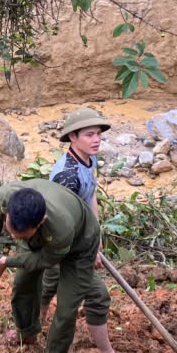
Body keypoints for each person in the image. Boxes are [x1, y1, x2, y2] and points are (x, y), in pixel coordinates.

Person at [0, 180, 140, 353]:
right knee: (22, 282)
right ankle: (27, 331)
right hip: (40, 228)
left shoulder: (61, 230)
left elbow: (41, 261)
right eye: (11, 230)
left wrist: (7, 262)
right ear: (8, 212)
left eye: (20, 236)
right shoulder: (0, 201)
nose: (13, 237)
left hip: (80, 244)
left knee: (67, 308)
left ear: (41, 222)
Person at [41, 107, 111, 322]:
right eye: (89, 135)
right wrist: (87, 252)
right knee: (49, 284)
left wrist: (96, 236)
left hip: (77, 236)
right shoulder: (67, 175)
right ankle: (31, 327)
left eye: (98, 134)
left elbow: (90, 197)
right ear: (73, 137)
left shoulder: (89, 160)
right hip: (58, 240)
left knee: (49, 284)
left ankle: (34, 323)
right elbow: (62, 224)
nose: (96, 140)